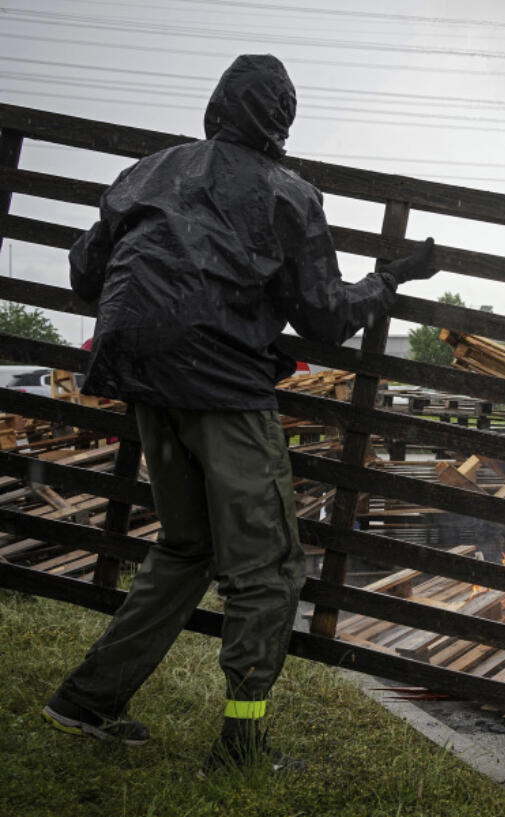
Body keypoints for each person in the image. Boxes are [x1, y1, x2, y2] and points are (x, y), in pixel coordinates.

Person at [42, 54, 439, 774]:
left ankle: (84, 701)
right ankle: (241, 743)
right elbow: (324, 317)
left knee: (188, 546)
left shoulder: (147, 171)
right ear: (281, 122)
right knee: (270, 569)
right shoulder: (288, 193)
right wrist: (389, 279)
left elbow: (81, 273)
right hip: (221, 390)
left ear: (216, 104)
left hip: (139, 377)